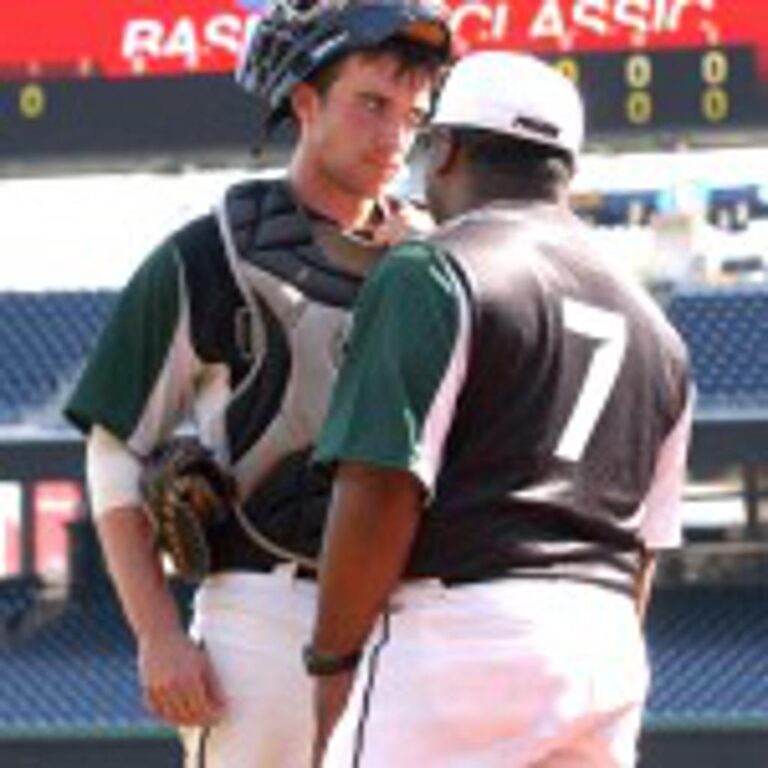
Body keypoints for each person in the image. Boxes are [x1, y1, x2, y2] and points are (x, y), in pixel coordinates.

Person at [63, 1, 451, 765]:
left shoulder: (446, 261)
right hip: (265, 616)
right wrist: (158, 636)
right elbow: (115, 454)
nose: (394, 136)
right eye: (371, 103)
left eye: (415, 114)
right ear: (305, 101)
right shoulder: (207, 255)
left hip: (416, 618)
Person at [308, 50, 693, 767]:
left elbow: (380, 484)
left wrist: (331, 663)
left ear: (447, 148)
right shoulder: (659, 332)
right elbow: (641, 549)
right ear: (564, 170)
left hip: (460, 638)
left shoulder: (432, 270)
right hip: (602, 643)